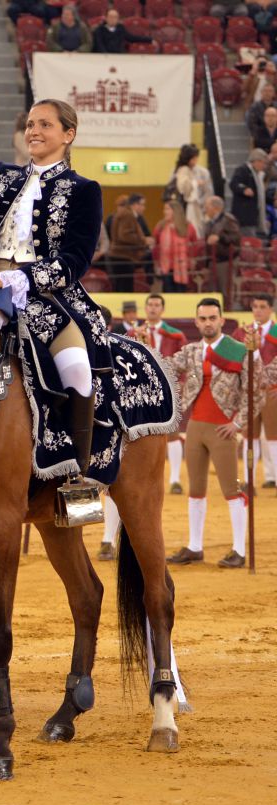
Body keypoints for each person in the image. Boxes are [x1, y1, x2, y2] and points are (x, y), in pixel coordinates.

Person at [0, 98, 111, 489]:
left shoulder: (84, 190)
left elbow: (77, 260)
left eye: (45, 125)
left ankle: (75, 478)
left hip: (49, 299)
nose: (34, 131)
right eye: (31, 124)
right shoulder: (4, 178)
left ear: (68, 134)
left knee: (78, 369)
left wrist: (26, 277)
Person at [166, 299, 259, 569]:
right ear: (196, 322)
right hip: (195, 427)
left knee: (231, 490)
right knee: (195, 491)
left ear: (222, 320)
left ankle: (239, 550)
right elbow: (165, 365)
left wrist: (237, 424)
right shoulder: (192, 350)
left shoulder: (240, 350)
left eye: (212, 317)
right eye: (203, 318)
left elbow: (255, 392)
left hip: (223, 430)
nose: (208, 322)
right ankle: (195, 547)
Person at [131, 293, 189, 497]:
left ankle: (174, 478)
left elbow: (186, 364)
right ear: (145, 308)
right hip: (139, 393)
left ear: (162, 309)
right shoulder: (133, 333)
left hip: (167, 391)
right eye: (150, 305)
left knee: (171, 434)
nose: (153, 308)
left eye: (157, 305)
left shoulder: (176, 335)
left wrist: (179, 386)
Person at [232, 294, 277, 490]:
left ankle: (274, 478)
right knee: (251, 437)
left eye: (262, 306)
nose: (258, 310)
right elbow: (233, 360)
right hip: (248, 392)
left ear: (270, 309)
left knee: (274, 438)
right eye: (255, 306)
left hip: (271, 391)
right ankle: (249, 481)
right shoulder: (241, 332)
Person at [109, 193, 153, 292]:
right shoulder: (127, 214)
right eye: (142, 204)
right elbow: (125, 235)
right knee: (124, 289)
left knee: (120, 287)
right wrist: (144, 240)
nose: (144, 208)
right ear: (134, 205)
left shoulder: (126, 213)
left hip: (120, 257)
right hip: (123, 257)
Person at [152, 200, 198, 292]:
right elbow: (155, 246)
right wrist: (156, 263)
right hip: (165, 267)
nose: (165, 212)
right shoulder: (161, 226)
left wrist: (192, 260)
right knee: (168, 292)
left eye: (168, 209)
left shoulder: (187, 226)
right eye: (165, 209)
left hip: (182, 267)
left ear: (175, 211)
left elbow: (195, 244)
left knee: (181, 292)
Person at [172, 143, 211, 237]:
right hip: (187, 205)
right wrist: (196, 183)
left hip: (197, 204)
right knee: (191, 229)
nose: (196, 160)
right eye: (194, 158)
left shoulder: (202, 171)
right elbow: (182, 188)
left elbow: (208, 191)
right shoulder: (183, 170)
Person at [229, 148, 269, 236]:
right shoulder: (243, 170)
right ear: (256, 161)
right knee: (248, 242)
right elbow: (234, 183)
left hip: (254, 216)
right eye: (263, 163)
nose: (264, 166)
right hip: (245, 217)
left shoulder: (259, 175)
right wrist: (244, 189)